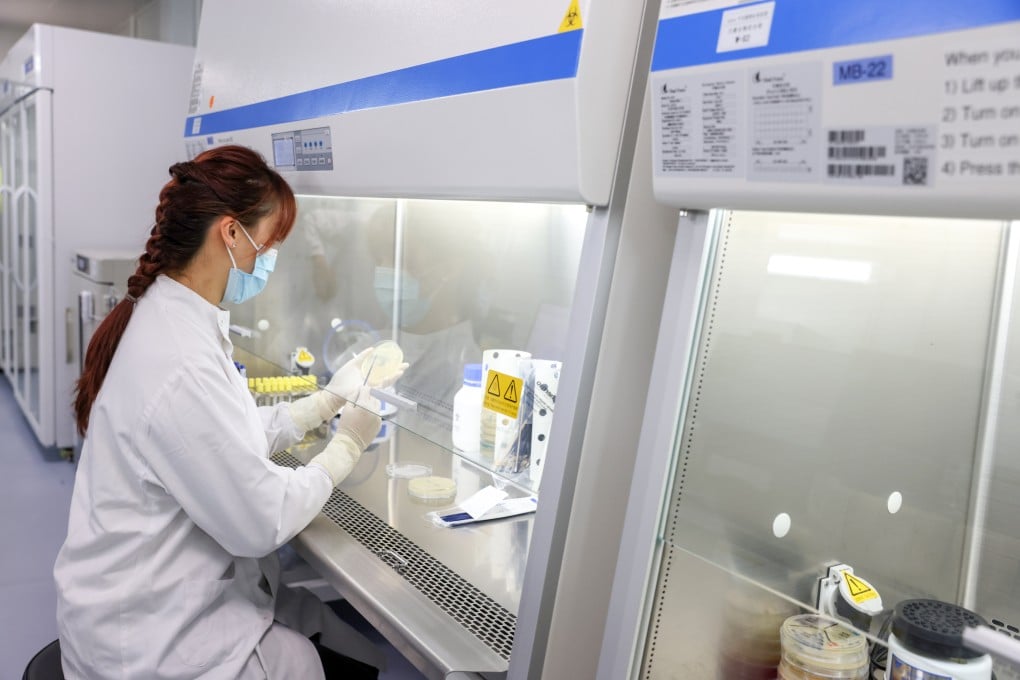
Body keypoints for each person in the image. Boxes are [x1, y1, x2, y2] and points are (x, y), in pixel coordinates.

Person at [54, 145, 403, 679]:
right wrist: (347, 446)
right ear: (230, 233)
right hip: (149, 642)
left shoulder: (175, 316)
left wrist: (323, 403)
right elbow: (259, 521)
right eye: (270, 242)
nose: (271, 257)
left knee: (343, 646)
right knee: (316, 659)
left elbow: (221, 438)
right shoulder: (179, 360)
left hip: (154, 599)